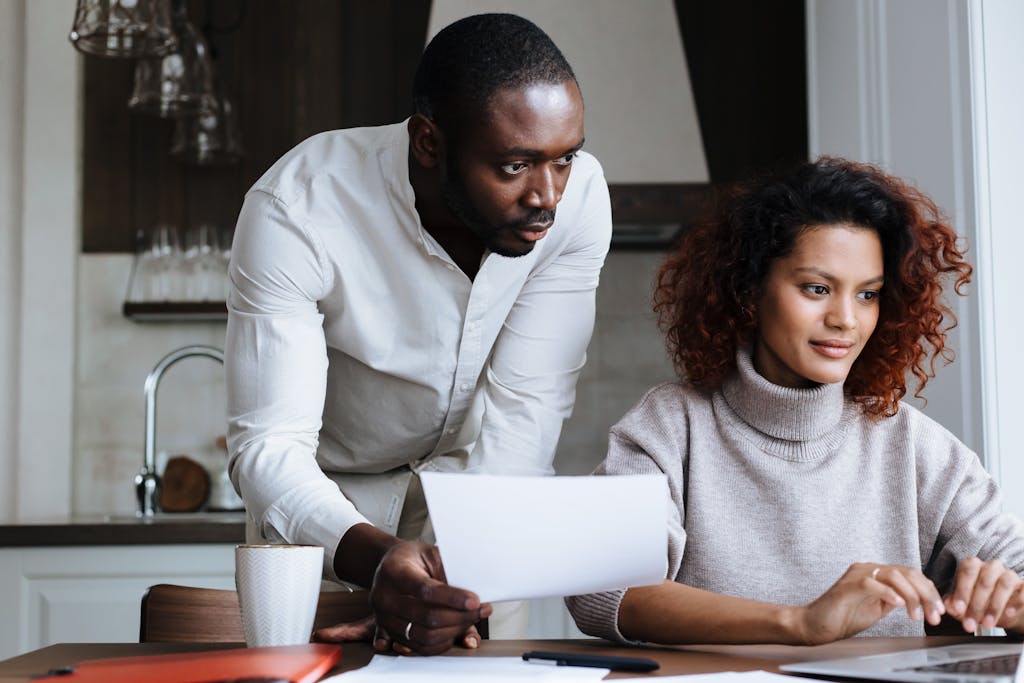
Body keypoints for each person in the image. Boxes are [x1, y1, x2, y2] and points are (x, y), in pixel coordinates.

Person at [225, 13, 611, 656]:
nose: (548, 195)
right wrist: (378, 565)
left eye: (564, 159)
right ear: (429, 142)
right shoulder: (298, 206)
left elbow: (527, 412)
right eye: (514, 166)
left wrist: (459, 580)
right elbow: (267, 447)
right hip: (326, 517)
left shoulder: (578, 202)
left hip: (481, 502)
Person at [565, 157, 1024, 645]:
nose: (846, 319)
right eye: (817, 288)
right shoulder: (671, 426)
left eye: (868, 295)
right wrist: (798, 623)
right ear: (749, 289)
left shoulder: (916, 447)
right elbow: (603, 590)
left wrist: (1010, 601)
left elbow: (1013, 570)